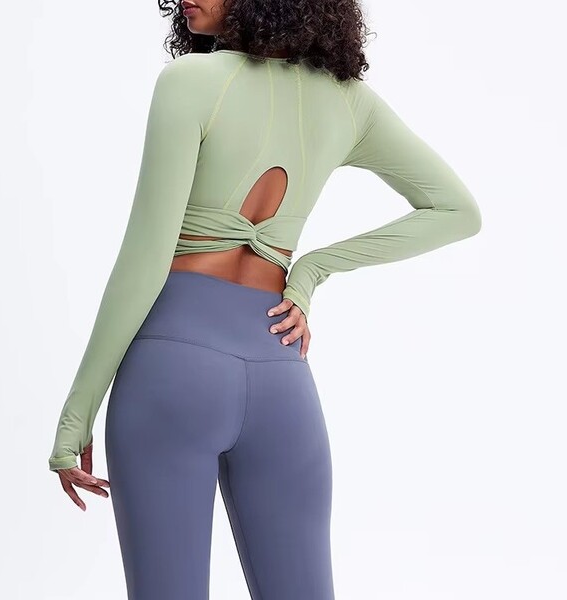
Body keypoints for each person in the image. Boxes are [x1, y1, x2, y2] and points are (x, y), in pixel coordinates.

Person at [48, 0, 482, 598]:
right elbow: (456, 210)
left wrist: (76, 416)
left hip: (173, 368)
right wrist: (309, 270)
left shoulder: (190, 81)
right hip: (281, 372)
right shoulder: (348, 102)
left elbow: (144, 260)